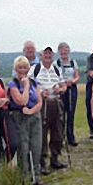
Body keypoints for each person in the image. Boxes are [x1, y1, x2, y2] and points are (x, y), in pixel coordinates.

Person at [30, 46, 67, 174]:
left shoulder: (56, 69)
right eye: (45, 53)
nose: (48, 55)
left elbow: (64, 86)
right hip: (42, 104)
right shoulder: (35, 69)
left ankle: (55, 158)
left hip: (56, 102)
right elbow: (28, 86)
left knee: (58, 132)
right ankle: (41, 162)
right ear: (41, 55)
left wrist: (60, 89)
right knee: (42, 133)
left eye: (50, 53)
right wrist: (39, 92)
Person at [9, 56, 44, 185]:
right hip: (20, 117)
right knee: (23, 146)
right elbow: (21, 101)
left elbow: (39, 102)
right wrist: (26, 85)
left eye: (25, 67)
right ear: (16, 69)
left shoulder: (35, 83)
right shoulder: (13, 84)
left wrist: (32, 110)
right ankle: (24, 176)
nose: (22, 70)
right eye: (20, 67)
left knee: (36, 145)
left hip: (34, 116)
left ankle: (36, 175)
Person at [54, 42, 80, 146]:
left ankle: (70, 136)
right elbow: (55, 76)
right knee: (60, 114)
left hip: (71, 89)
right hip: (61, 89)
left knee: (70, 113)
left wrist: (72, 81)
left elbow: (77, 76)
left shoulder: (73, 62)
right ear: (59, 51)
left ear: (69, 51)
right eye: (61, 49)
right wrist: (62, 83)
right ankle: (60, 137)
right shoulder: (56, 63)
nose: (64, 52)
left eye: (65, 49)